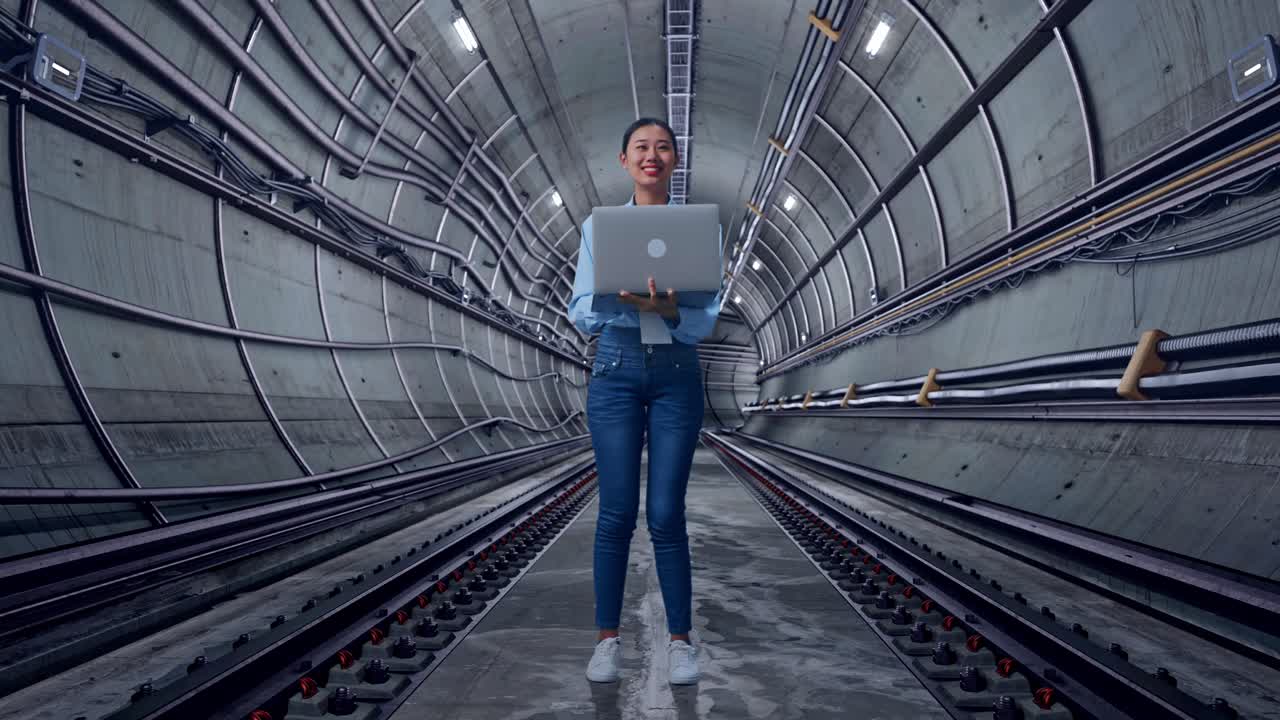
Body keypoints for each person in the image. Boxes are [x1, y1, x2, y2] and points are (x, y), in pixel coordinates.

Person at [566, 117, 723, 686]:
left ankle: (681, 642)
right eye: (641, 147)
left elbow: (708, 315)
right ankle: (607, 641)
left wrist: (672, 312)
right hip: (616, 371)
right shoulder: (599, 227)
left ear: (675, 161)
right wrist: (627, 305)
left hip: (676, 376)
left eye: (662, 147)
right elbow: (579, 308)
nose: (651, 155)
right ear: (624, 160)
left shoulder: (700, 227)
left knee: (665, 515)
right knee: (615, 514)